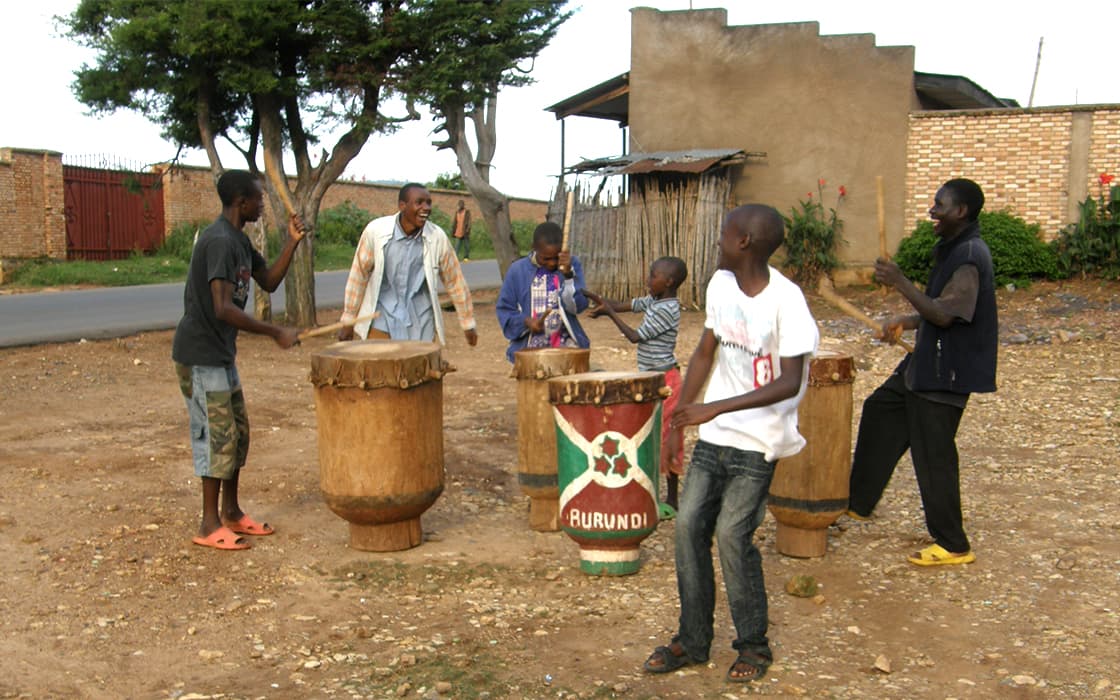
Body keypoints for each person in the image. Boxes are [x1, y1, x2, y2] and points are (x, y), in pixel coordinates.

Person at [643, 205, 818, 684]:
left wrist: (713, 409)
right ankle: (693, 641)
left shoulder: (787, 301)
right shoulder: (720, 286)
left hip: (759, 440)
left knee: (731, 537)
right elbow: (705, 351)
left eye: (725, 232)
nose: (718, 239)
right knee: (687, 529)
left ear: (745, 242)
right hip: (715, 436)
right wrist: (683, 414)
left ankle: (753, 646)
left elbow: (790, 381)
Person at [847, 178, 997, 567]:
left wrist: (899, 283)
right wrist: (907, 321)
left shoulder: (969, 255)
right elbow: (940, 308)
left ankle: (952, 544)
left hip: (947, 370)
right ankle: (858, 504)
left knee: (933, 455)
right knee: (881, 410)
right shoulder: (952, 248)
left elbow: (947, 314)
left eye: (939, 205)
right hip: (927, 361)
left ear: (960, 211)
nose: (932, 210)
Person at [171, 169, 307, 551]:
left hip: (220, 354)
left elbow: (269, 281)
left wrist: (292, 243)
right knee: (217, 438)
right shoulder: (219, 241)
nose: (262, 203)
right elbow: (222, 308)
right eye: (259, 198)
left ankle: (231, 512)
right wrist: (274, 332)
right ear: (240, 202)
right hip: (200, 355)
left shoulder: (240, 242)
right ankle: (208, 523)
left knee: (238, 434)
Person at [583, 256, 689, 514]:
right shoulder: (656, 300)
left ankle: (673, 499)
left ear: (669, 281)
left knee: (667, 438)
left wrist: (609, 313)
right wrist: (605, 303)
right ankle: (650, 491)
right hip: (652, 379)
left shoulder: (668, 310)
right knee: (650, 434)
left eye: (653, 275)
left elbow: (634, 337)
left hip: (666, 381)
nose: (647, 279)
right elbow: (629, 305)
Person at [337, 183, 478, 346]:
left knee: (419, 370)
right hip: (381, 320)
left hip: (421, 322)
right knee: (381, 369)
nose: (426, 208)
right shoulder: (376, 232)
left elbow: (455, 281)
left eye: (428, 203)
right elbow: (359, 275)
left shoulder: (437, 237)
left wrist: (467, 323)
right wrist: (348, 318)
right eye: (419, 202)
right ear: (402, 206)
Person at [495, 221, 590, 362]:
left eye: (556, 258)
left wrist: (569, 276)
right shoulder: (517, 271)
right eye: (546, 258)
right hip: (529, 345)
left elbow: (578, 307)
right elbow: (505, 309)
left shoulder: (571, 265)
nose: (552, 263)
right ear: (534, 248)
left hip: (566, 343)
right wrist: (526, 321)